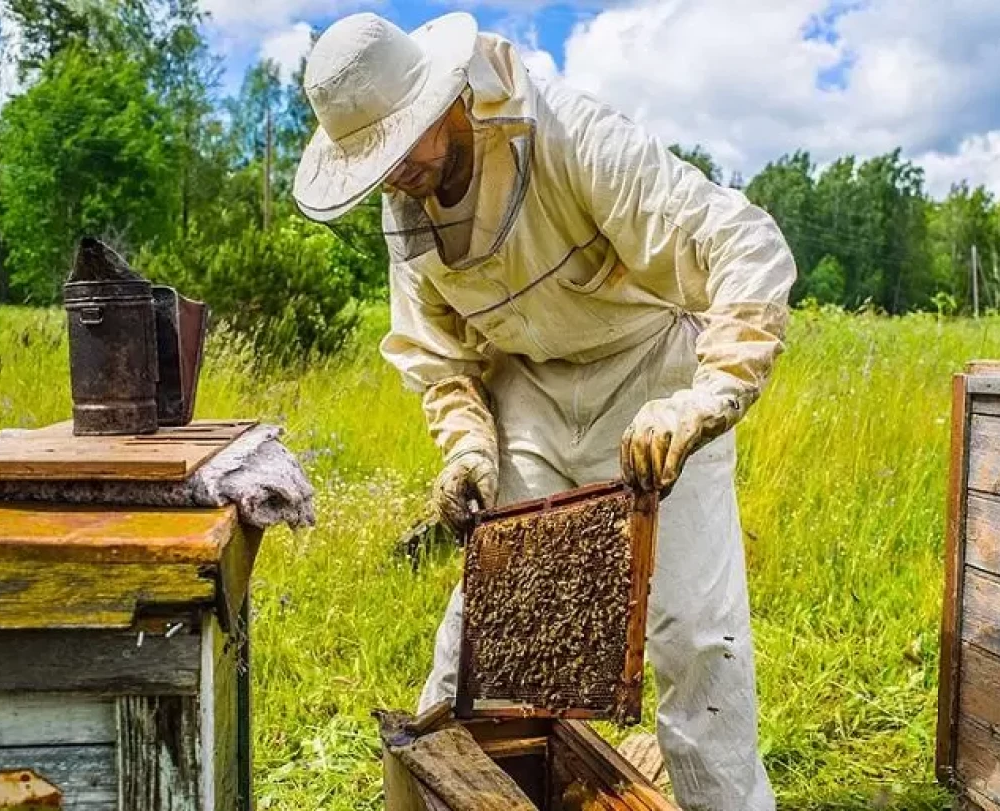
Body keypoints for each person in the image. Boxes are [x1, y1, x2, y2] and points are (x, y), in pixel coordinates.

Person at [293, 11, 796, 810]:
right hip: (528, 388)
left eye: (403, 145)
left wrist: (708, 397)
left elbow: (745, 243)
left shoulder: (570, 134)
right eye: (378, 162)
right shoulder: (406, 206)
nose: (396, 174)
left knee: (696, 634)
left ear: (446, 99)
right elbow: (440, 358)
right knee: (483, 631)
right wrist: (469, 450)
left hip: (650, 369)